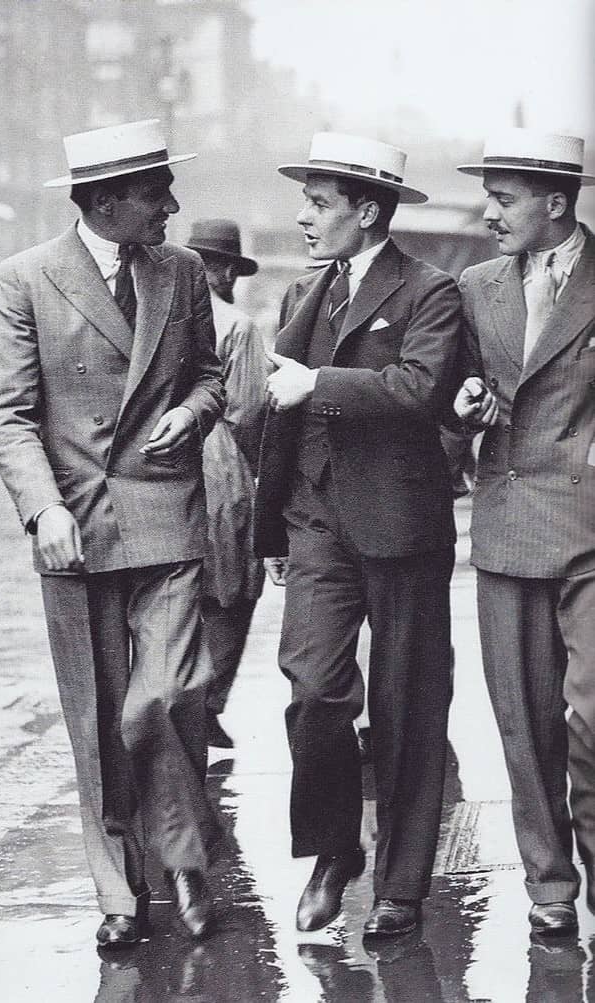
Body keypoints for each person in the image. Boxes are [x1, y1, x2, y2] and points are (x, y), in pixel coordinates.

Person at [0, 119, 226, 948]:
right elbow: (9, 415)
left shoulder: (184, 272)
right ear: (109, 200)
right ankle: (122, 894)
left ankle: (185, 855)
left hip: (165, 513)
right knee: (93, 718)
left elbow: (208, 376)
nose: (172, 205)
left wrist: (191, 417)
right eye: (157, 192)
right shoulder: (25, 279)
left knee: (164, 696)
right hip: (73, 526)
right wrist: (42, 507)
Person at [254, 131, 461, 937]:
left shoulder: (429, 291)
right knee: (313, 692)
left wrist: (320, 384)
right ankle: (335, 848)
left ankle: (401, 888)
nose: (304, 216)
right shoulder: (303, 295)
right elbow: (278, 422)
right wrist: (275, 524)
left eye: (319, 203)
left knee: (410, 706)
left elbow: (418, 389)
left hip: (402, 525)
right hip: (317, 525)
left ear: (366, 211)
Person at [453, 127, 595, 935]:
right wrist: (464, 405)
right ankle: (550, 887)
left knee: (591, 715)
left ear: (554, 202)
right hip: (506, 528)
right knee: (524, 719)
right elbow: (454, 391)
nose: (487, 213)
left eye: (501, 199)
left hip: (588, 528)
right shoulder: (477, 286)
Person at [185, 219, 268, 749]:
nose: (232, 279)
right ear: (217, 270)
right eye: (228, 269)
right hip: (220, 458)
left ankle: (180, 697)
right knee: (235, 583)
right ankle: (209, 701)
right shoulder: (236, 324)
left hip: (163, 456)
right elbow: (249, 409)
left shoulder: (154, 313)